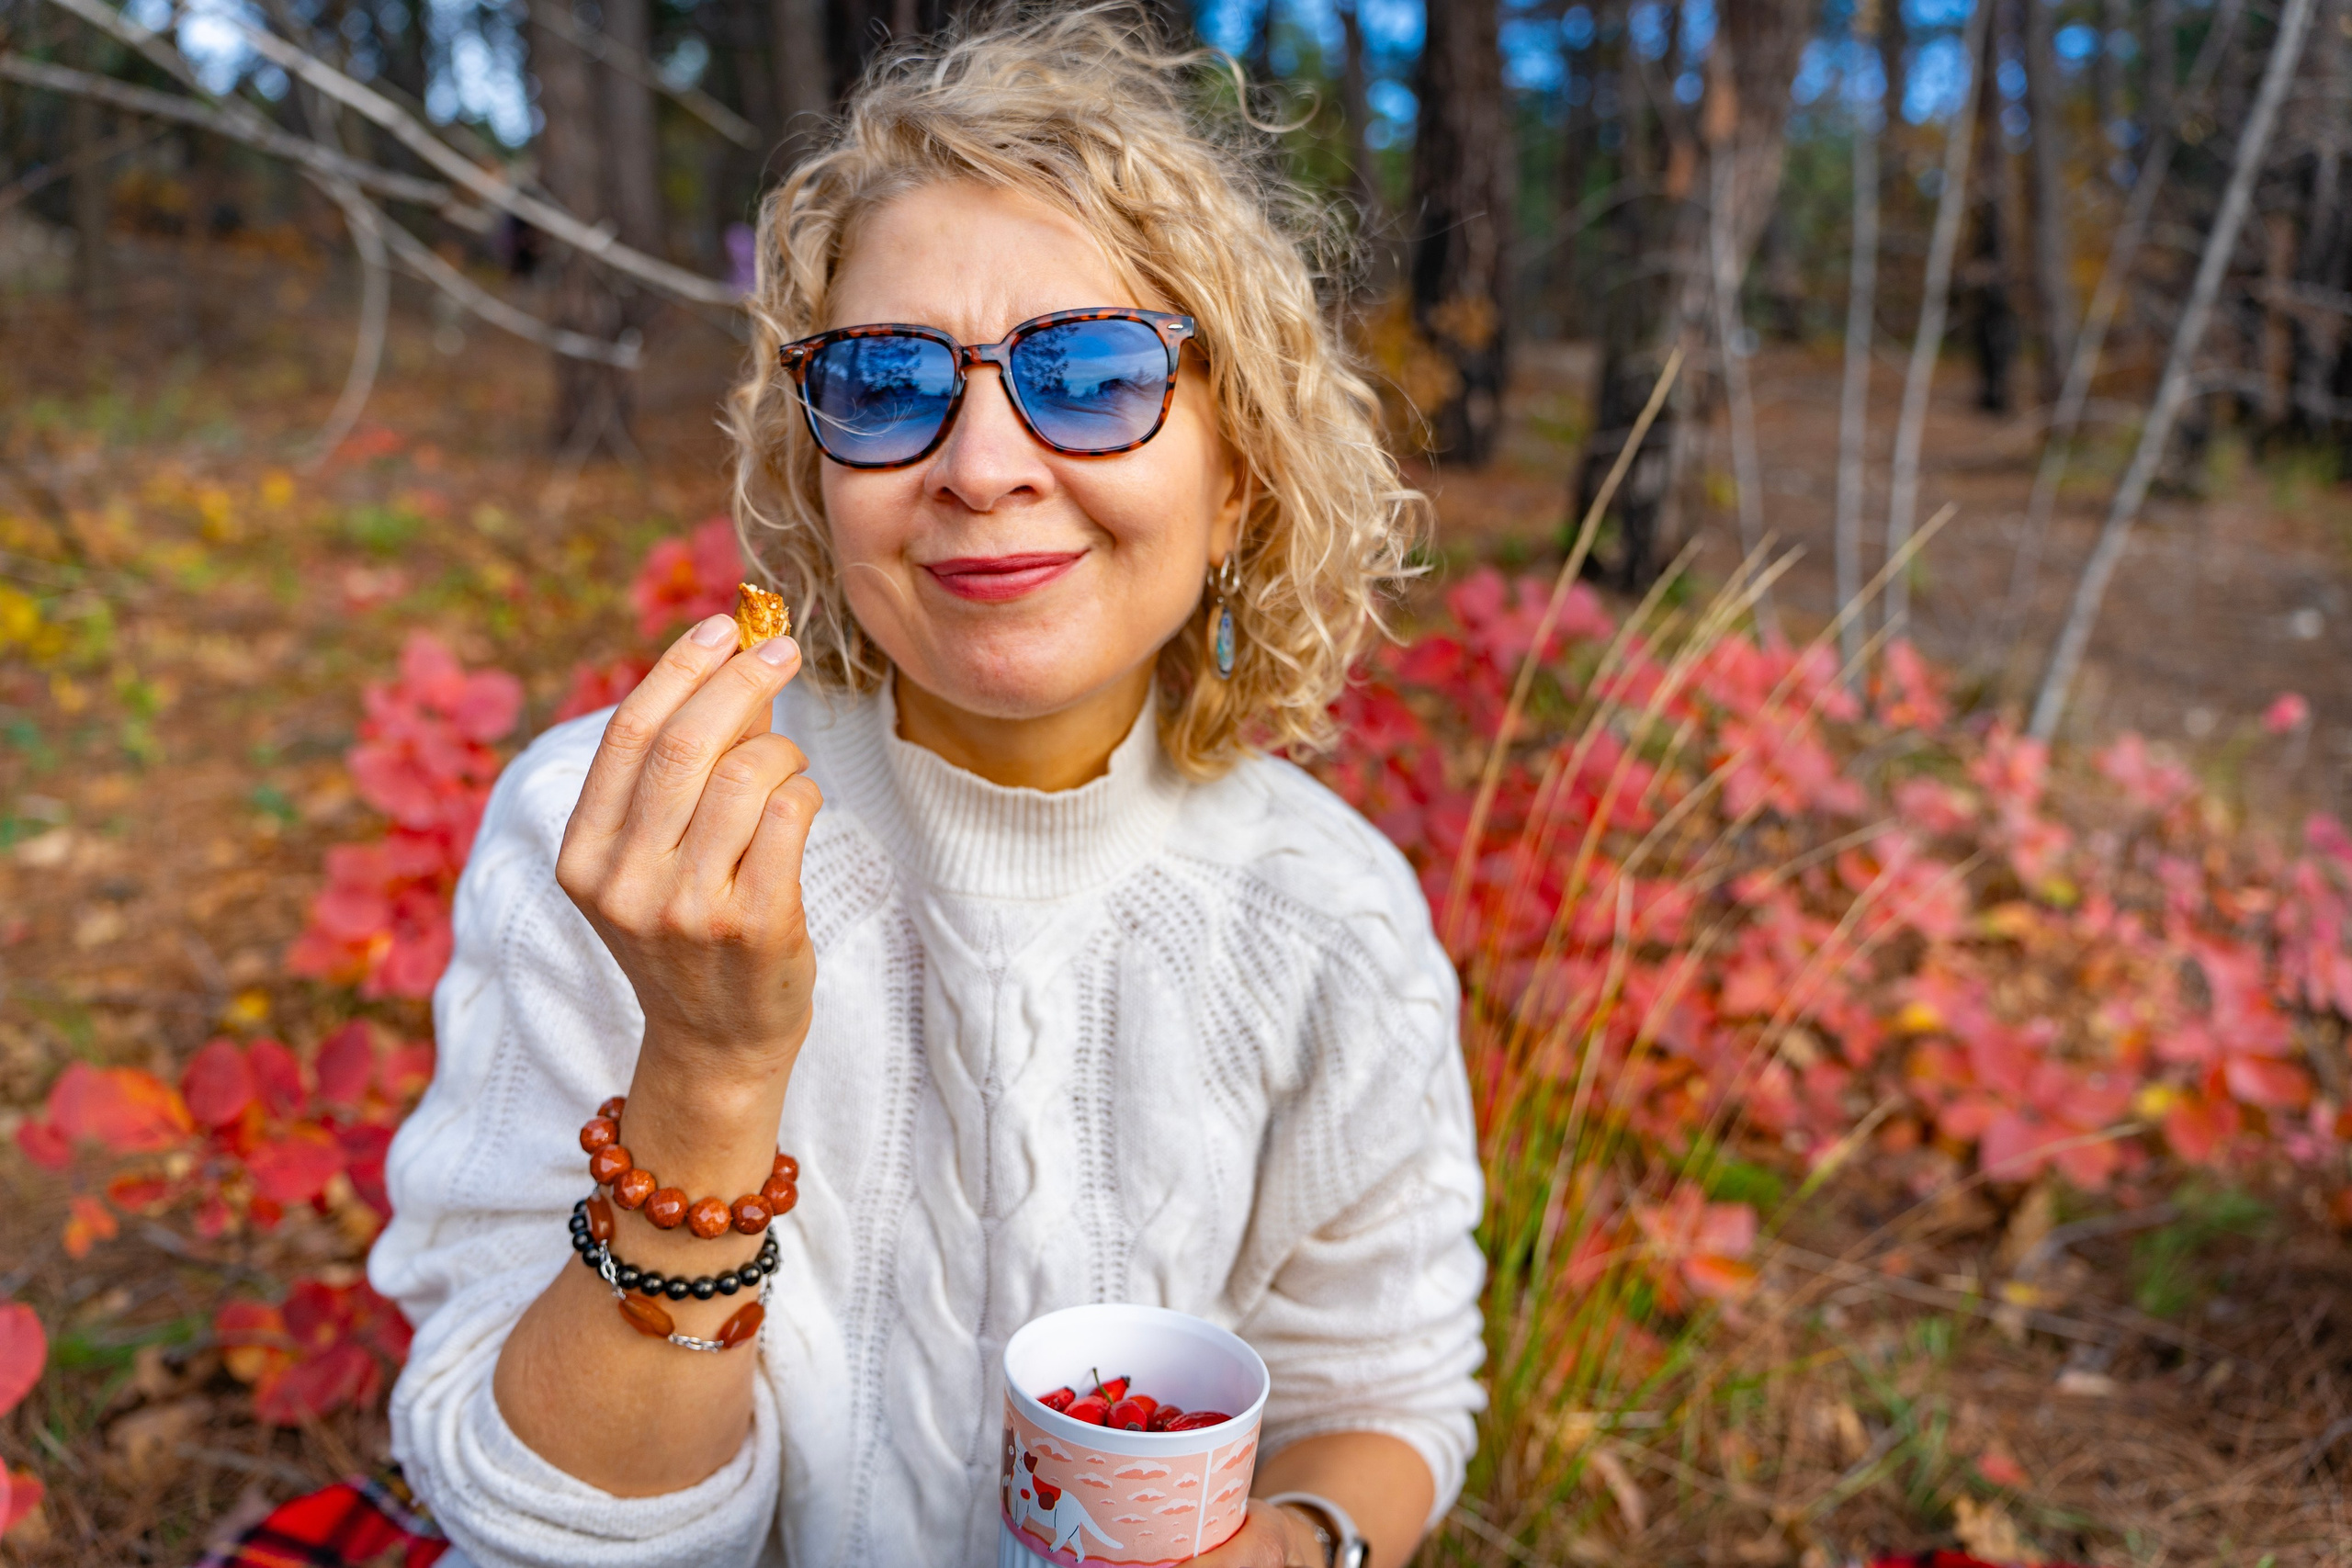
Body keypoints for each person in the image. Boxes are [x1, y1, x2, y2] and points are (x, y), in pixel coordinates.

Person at [369, 8, 1486, 1565]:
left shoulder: (1331, 922)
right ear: (818, 475)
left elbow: (1387, 1395)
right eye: (889, 386)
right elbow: (540, 1525)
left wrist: (1301, 1548)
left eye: (1090, 374)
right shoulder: (616, 849)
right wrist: (706, 1073)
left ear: (1238, 474)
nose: (980, 465)